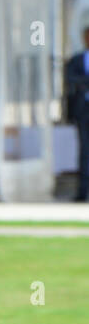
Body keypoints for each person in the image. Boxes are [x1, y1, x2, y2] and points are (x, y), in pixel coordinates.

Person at [65, 26, 89, 201]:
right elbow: (71, 78)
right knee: (84, 152)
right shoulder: (76, 60)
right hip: (83, 111)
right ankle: (83, 191)